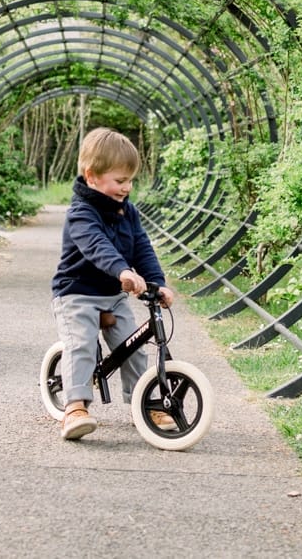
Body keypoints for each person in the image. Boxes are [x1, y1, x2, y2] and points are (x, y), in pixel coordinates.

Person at [49, 127, 175, 441]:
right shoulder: (81, 213)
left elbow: (141, 247)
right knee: (80, 344)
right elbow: (96, 246)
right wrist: (122, 271)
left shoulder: (128, 212)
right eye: (120, 181)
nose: (127, 187)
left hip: (111, 296)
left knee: (133, 348)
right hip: (76, 293)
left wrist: (157, 284)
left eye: (130, 180)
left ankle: (144, 403)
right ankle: (75, 407)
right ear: (92, 177)